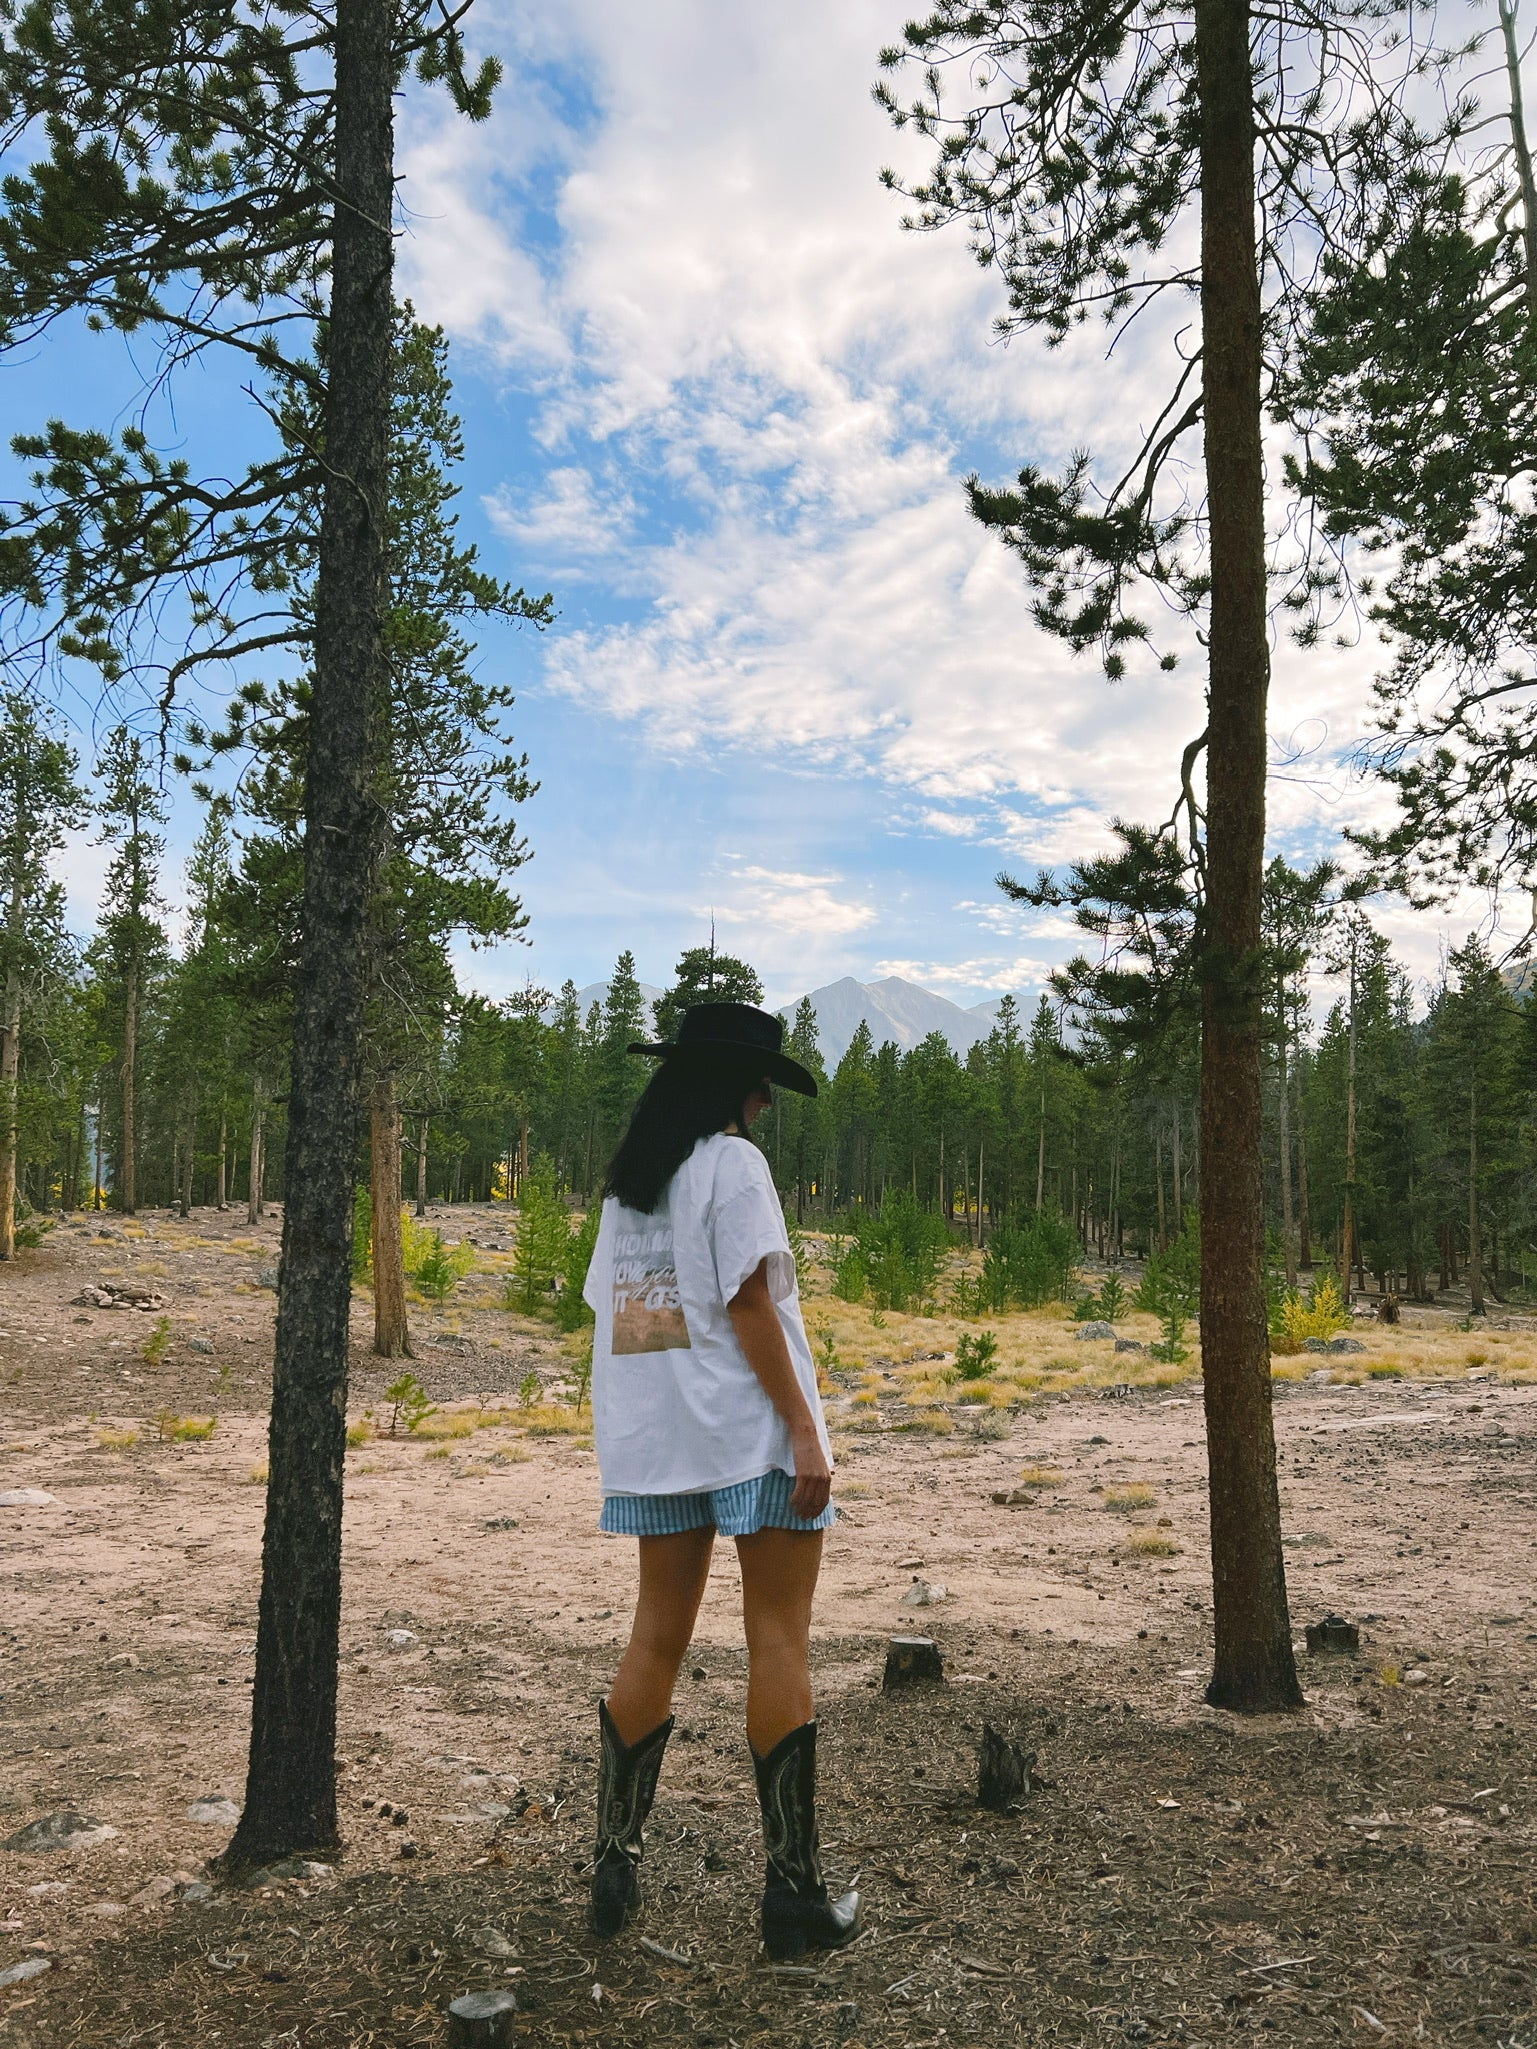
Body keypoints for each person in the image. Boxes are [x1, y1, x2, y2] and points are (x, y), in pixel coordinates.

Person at [580, 1000, 859, 1960]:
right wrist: (802, 1430)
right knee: (776, 1635)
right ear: (735, 1086)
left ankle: (613, 1863)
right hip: (749, 1435)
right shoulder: (733, 1166)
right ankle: (792, 1896)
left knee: (654, 1636)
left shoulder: (634, 1185)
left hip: (662, 1441)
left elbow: (641, 1321)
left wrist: (678, 1420)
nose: (763, 1108)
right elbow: (748, 1302)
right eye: (759, 1089)